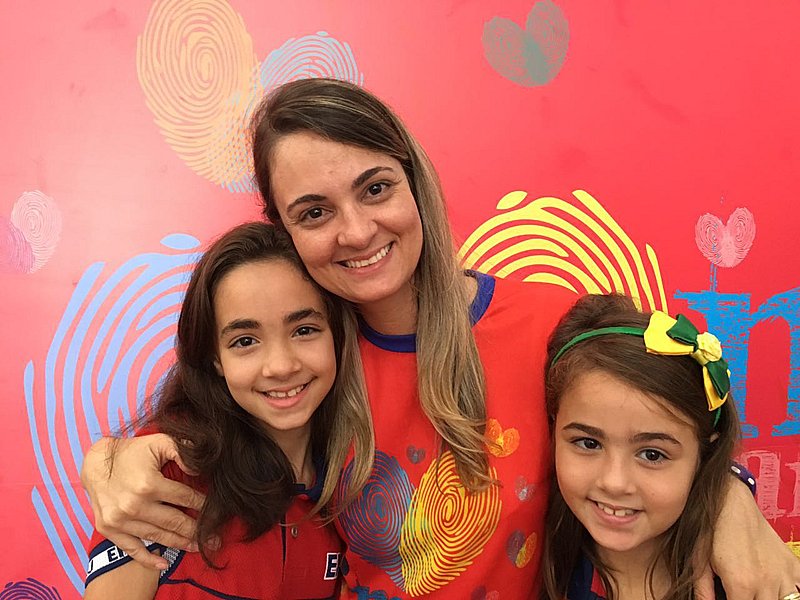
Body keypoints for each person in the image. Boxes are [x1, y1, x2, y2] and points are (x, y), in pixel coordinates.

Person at [80, 78, 800, 599]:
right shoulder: (304, 366)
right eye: (314, 211)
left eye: (375, 188)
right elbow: (188, 444)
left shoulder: (550, 326)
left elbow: (665, 419)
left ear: (414, 179)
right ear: (284, 230)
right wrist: (115, 462)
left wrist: (728, 493)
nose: (357, 231)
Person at [83, 222, 374, 599]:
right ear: (215, 359)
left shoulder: (354, 488)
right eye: (245, 341)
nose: (280, 366)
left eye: (304, 330)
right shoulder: (167, 473)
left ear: (337, 335)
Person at [541, 293, 741, 600]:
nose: (614, 482)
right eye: (588, 443)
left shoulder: (747, 582)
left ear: (705, 455)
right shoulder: (540, 553)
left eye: (652, 454)